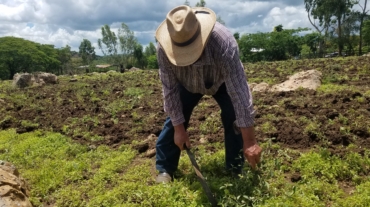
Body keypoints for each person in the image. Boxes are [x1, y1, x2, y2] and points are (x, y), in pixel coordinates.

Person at [155, 5, 262, 183]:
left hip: (221, 81)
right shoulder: (164, 50)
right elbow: (170, 91)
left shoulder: (223, 43)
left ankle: (235, 167)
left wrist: (250, 141)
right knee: (174, 122)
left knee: (234, 116)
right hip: (187, 84)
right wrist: (179, 129)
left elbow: (240, 93)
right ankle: (165, 168)